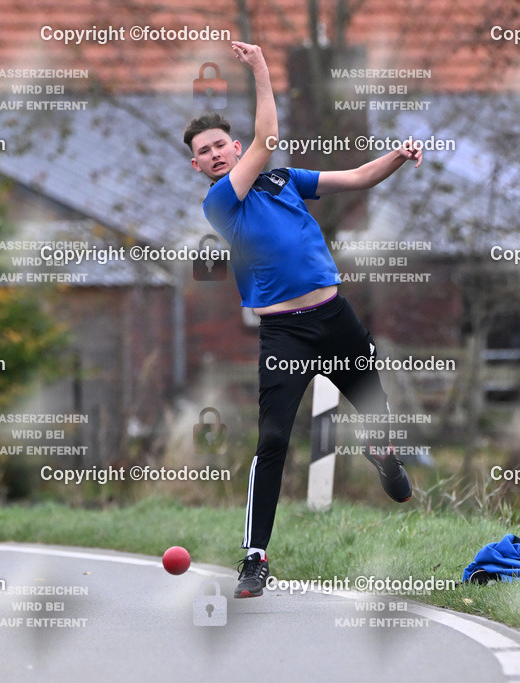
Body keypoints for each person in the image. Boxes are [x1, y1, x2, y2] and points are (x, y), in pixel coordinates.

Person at [185, 40, 423, 598]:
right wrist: (261, 68)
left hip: (334, 318)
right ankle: (255, 558)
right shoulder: (221, 202)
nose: (215, 154)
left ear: (233, 146)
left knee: (377, 414)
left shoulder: (284, 180)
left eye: (220, 145)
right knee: (272, 441)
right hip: (285, 334)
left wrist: (397, 155)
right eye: (204, 152)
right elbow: (268, 137)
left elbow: (358, 178)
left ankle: (385, 458)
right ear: (197, 165)